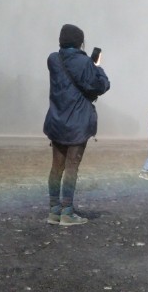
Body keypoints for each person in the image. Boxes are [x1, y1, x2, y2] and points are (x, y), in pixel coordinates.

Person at [44, 25, 109, 225]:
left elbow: (71, 73)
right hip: (78, 124)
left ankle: (54, 211)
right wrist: (96, 66)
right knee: (72, 166)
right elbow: (101, 86)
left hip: (57, 121)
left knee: (56, 167)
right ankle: (68, 213)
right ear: (80, 42)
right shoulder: (85, 63)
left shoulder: (53, 59)